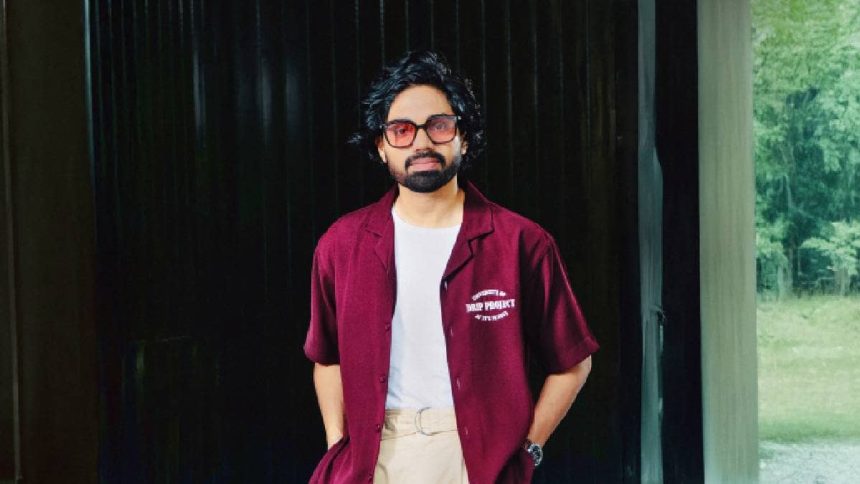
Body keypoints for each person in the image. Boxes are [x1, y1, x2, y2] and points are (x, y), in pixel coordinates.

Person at [303, 50, 599, 484]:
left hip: (476, 459)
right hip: (373, 456)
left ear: (464, 137)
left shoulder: (520, 242)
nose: (421, 142)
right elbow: (327, 359)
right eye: (401, 130)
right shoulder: (342, 245)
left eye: (439, 125)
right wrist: (337, 444)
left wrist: (528, 451)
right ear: (381, 146)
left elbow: (573, 362)